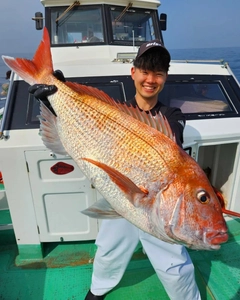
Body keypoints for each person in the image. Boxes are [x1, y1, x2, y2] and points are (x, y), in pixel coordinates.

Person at [29, 40, 201, 300]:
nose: (150, 79)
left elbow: (171, 142)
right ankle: (98, 291)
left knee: (174, 262)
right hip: (121, 197)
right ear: (133, 73)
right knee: (108, 250)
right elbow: (83, 133)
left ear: (165, 77)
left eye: (158, 73)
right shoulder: (112, 110)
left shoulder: (172, 115)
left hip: (158, 205)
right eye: (145, 70)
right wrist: (55, 102)